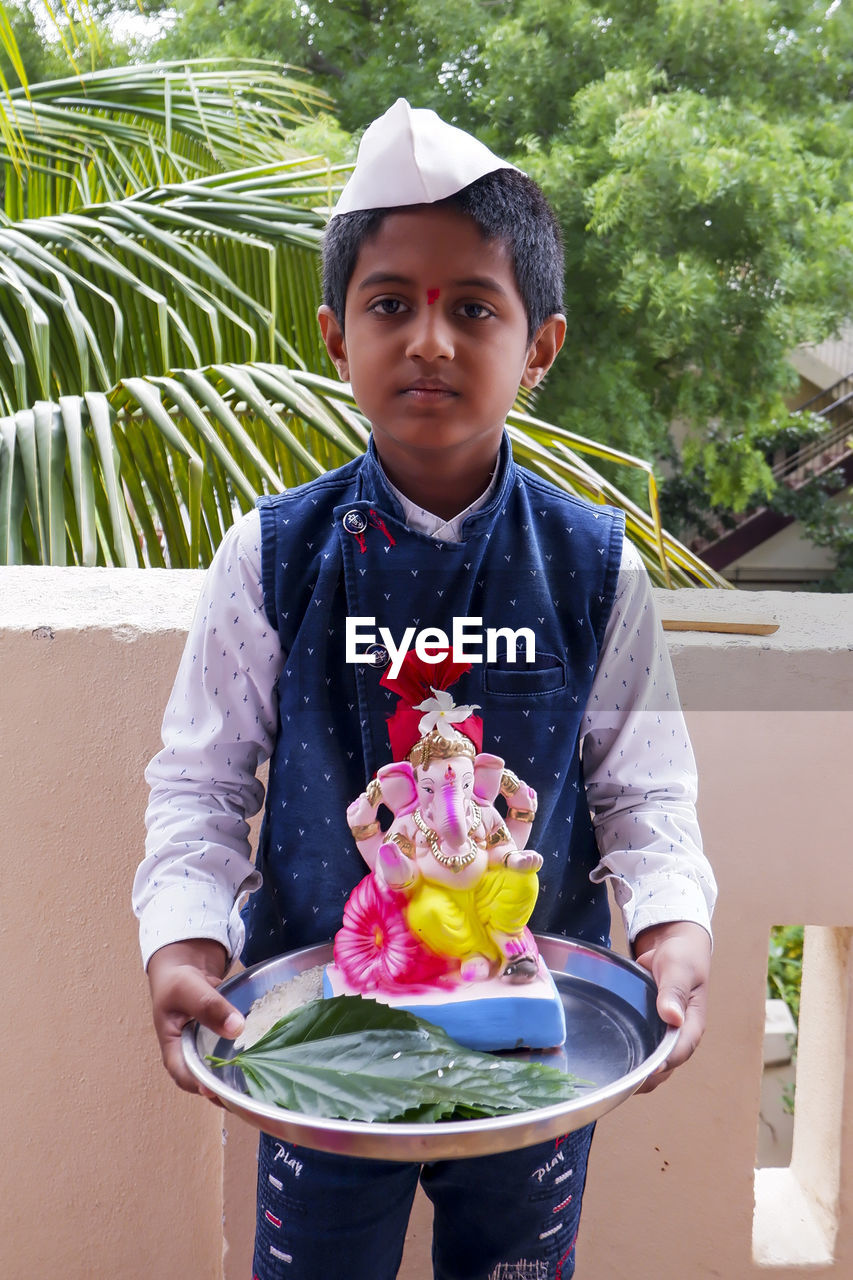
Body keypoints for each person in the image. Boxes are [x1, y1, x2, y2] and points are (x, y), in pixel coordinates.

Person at [134, 99, 717, 1280]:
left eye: (473, 308)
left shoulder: (593, 564)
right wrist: (181, 937)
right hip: (319, 1029)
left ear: (539, 345)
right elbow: (200, 783)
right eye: (390, 303)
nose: (431, 341)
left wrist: (671, 927)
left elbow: (644, 796)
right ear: (334, 336)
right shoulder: (274, 557)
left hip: (528, 1045)